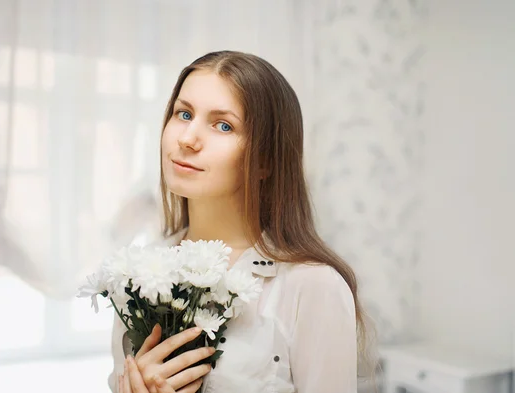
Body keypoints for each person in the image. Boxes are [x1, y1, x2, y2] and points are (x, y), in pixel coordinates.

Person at [109, 50, 372, 393]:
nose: (187, 139)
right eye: (183, 113)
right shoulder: (139, 274)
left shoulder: (312, 287)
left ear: (266, 160)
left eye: (223, 125)